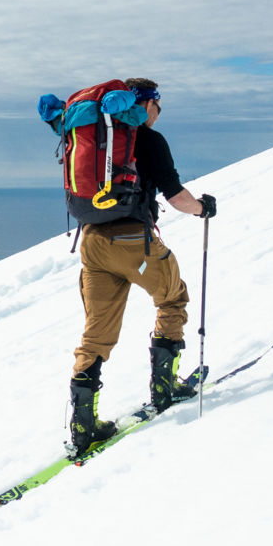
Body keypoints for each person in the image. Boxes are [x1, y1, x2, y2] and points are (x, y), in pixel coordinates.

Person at [68, 78, 217, 457]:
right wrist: (203, 208)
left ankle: (84, 426)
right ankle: (165, 387)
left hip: (92, 243)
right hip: (133, 241)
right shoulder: (148, 139)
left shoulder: (98, 139)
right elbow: (176, 196)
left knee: (96, 333)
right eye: (159, 104)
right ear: (147, 103)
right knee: (172, 299)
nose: (159, 111)